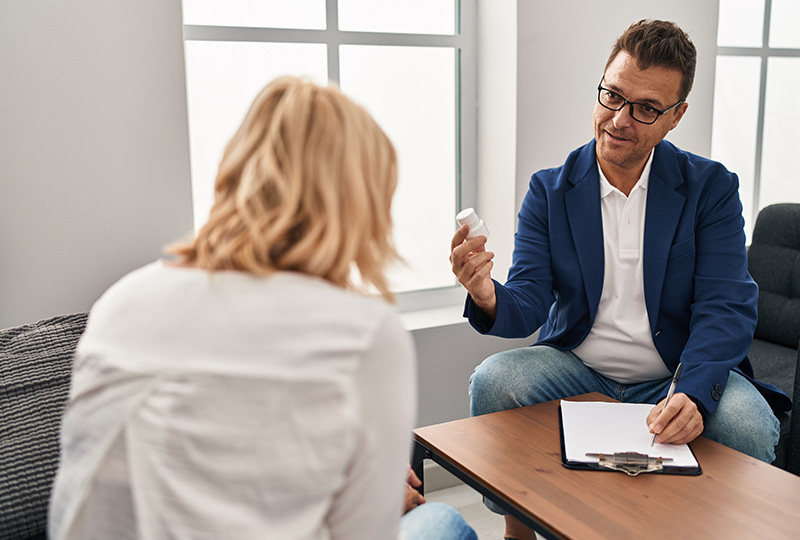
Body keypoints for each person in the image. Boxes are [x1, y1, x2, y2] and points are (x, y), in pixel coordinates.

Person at [47, 76, 470, 540]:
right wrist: (389, 498)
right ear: (358, 204)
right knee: (443, 521)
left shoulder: (119, 302)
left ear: (237, 172)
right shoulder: (362, 333)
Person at [449, 19, 791, 540]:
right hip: (578, 366)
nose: (619, 119)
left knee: (749, 425)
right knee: (496, 380)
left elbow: (726, 306)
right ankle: (518, 532)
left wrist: (694, 396)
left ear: (675, 117)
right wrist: (485, 292)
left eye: (646, 108)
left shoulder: (711, 188)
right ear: (603, 85)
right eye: (612, 95)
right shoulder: (550, 190)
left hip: (675, 374)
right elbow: (531, 301)